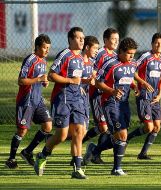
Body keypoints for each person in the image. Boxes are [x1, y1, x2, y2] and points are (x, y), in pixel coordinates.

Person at [34, 27, 87, 179]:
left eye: (83, 38)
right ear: (71, 40)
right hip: (62, 98)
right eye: (78, 38)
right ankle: (42, 155)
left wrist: (80, 87)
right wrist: (70, 81)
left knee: (79, 131)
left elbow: (77, 79)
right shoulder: (65, 54)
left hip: (76, 98)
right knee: (62, 135)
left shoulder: (81, 58)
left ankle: (77, 169)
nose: (82, 40)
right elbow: (51, 75)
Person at [84, 37, 139, 176]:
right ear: (120, 51)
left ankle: (95, 150)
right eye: (129, 53)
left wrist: (136, 87)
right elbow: (97, 82)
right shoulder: (110, 64)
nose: (132, 56)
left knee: (119, 137)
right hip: (110, 102)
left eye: (133, 54)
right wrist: (112, 91)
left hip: (124, 104)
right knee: (122, 135)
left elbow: (129, 77)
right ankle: (116, 169)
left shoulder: (132, 64)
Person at [5, 34, 52, 169]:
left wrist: (44, 82)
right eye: (45, 48)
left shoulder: (43, 61)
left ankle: (27, 152)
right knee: (22, 131)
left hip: (38, 101)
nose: (47, 50)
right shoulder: (30, 59)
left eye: (48, 48)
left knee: (48, 126)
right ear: (37, 47)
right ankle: (11, 159)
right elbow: (21, 80)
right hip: (26, 101)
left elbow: (40, 78)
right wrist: (38, 79)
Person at [82, 28, 119, 164]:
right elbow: (93, 71)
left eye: (117, 39)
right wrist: (97, 81)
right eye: (113, 39)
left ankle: (95, 153)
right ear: (106, 40)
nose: (116, 41)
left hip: (108, 95)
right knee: (103, 127)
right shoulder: (100, 54)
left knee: (107, 127)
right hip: (97, 94)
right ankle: (80, 142)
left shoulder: (115, 55)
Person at [127, 33, 161, 160]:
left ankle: (143, 153)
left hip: (155, 97)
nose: (159, 45)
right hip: (144, 95)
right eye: (157, 43)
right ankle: (127, 137)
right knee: (148, 127)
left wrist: (160, 94)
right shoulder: (145, 56)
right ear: (152, 44)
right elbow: (133, 70)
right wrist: (142, 83)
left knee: (157, 126)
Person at [69, 35, 99, 166]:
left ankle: (75, 157)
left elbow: (91, 78)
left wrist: (93, 79)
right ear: (87, 48)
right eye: (95, 48)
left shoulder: (92, 63)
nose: (97, 51)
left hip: (85, 99)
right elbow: (72, 78)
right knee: (79, 131)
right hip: (76, 99)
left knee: (83, 131)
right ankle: (76, 159)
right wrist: (80, 85)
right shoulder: (78, 61)